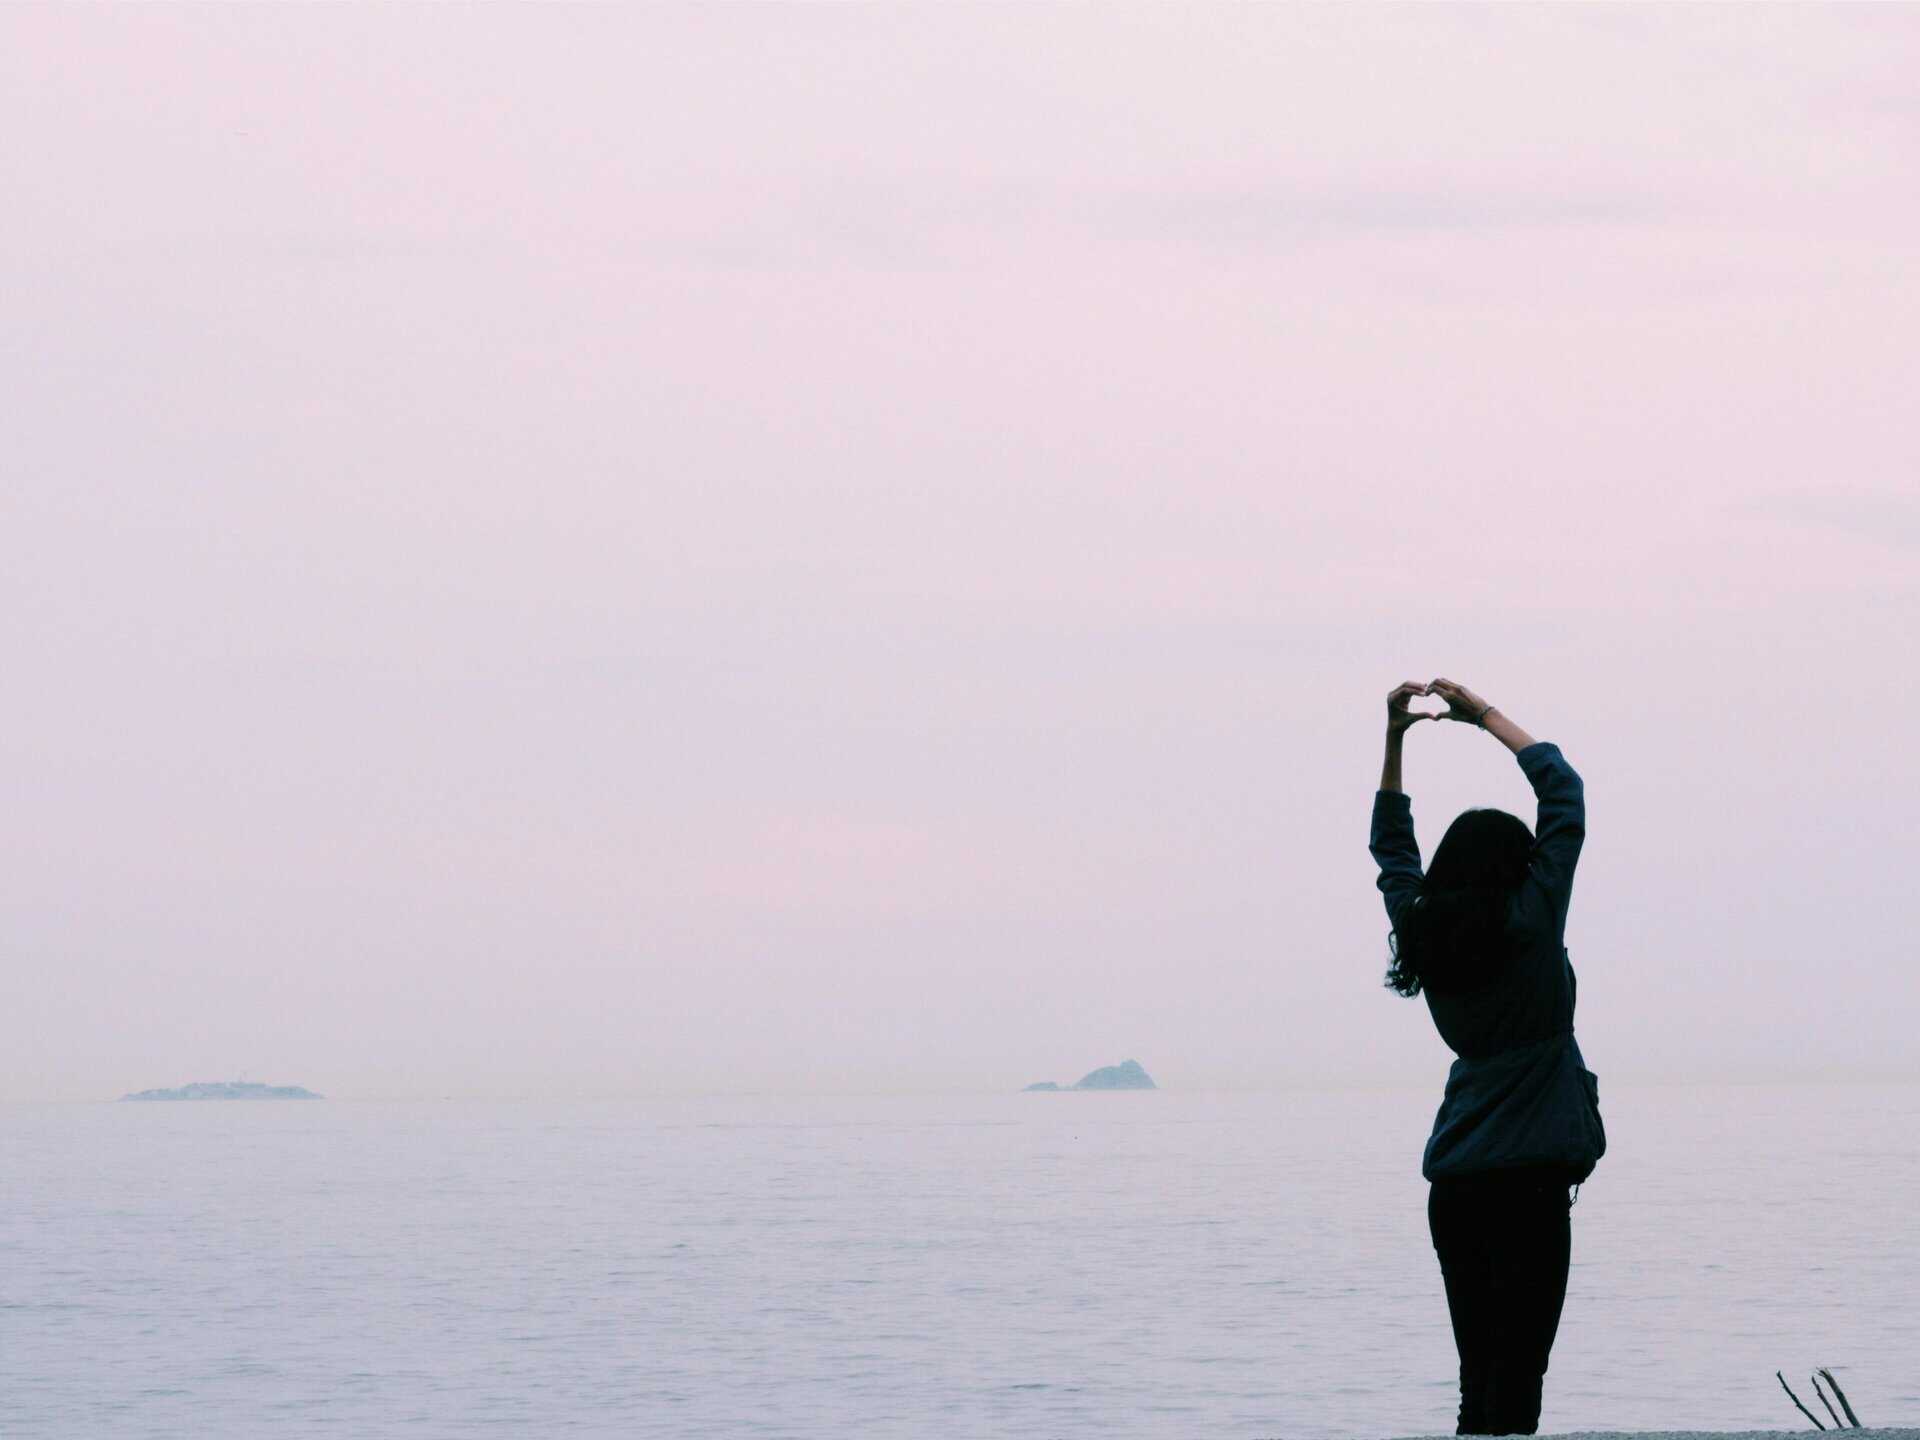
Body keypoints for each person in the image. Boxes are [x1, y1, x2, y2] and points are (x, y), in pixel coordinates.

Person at [1369, 678, 1607, 1438]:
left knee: (1479, 1387)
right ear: (1518, 867)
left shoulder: (1423, 929)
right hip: (1531, 1191)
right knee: (1519, 1388)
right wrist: (1484, 719)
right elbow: (1563, 793)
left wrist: (1395, 737)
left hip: (1458, 1188)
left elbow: (1393, 850)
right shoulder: (1531, 922)